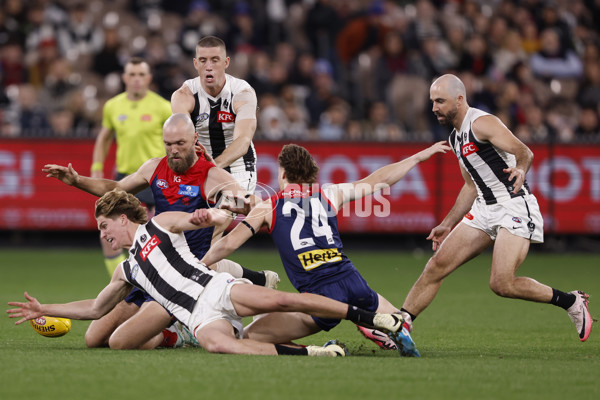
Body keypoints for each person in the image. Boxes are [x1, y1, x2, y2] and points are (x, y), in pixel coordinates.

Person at [7, 189, 409, 357]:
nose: (103, 235)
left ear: (122, 218)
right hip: (199, 317)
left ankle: (373, 318)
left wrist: (213, 214)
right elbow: (94, 309)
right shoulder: (126, 271)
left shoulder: (160, 223)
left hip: (217, 288)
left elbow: (201, 219)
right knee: (224, 347)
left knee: (286, 299)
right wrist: (47, 307)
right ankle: (318, 353)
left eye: (104, 226)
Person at [43, 114, 277, 350]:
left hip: (182, 278)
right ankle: (249, 283)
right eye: (168, 144)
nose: (173, 150)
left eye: (180, 144)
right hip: (151, 266)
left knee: (124, 341)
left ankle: (180, 333)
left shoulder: (211, 175)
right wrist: (76, 180)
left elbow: (250, 201)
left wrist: (239, 204)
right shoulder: (155, 167)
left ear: (195, 138)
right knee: (93, 339)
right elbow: (116, 188)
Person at [196, 141, 451, 357]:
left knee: (252, 335)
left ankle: (320, 350)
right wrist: (418, 156)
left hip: (319, 297)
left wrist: (199, 265)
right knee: (401, 323)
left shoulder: (268, 206)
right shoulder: (330, 194)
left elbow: (228, 243)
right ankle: (368, 322)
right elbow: (380, 180)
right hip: (354, 282)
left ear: (282, 174)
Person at [399, 74, 592, 342]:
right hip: (483, 209)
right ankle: (399, 325)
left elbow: (525, 152)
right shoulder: (456, 138)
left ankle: (571, 301)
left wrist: (521, 170)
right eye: (433, 101)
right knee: (436, 266)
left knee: (501, 284)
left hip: (513, 204)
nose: (434, 107)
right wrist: (447, 223)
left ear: (459, 99)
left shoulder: (482, 123)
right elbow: (470, 186)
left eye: (440, 101)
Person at [171, 36, 258, 242]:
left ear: (226, 63)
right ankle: (256, 277)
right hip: (201, 170)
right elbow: (182, 138)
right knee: (188, 236)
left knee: (211, 231)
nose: (208, 67)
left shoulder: (243, 93)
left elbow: (243, 142)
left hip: (239, 169)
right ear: (195, 64)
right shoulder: (183, 95)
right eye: (203, 61)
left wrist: (213, 166)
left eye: (215, 60)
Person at [91, 57, 172, 276]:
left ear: (149, 78)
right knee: (108, 234)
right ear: (124, 78)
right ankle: (119, 285)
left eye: (141, 75)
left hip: (154, 179)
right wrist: (97, 166)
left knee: (155, 239)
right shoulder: (113, 106)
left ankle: (153, 284)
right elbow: (104, 137)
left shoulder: (163, 107)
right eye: (132, 75)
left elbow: (174, 141)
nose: (136, 79)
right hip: (125, 179)